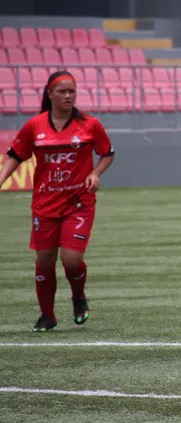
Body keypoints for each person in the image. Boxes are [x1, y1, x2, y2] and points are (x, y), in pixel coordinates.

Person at [0, 71, 115, 332]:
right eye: (62, 91)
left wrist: (95, 173)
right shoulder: (34, 126)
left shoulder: (90, 125)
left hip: (79, 202)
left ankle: (78, 296)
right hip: (45, 204)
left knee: (71, 260)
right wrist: (2, 178)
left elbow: (107, 153)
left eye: (71, 91)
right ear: (50, 94)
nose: (68, 96)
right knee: (44, 262)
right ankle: (47, 315)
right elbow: (16, 154)